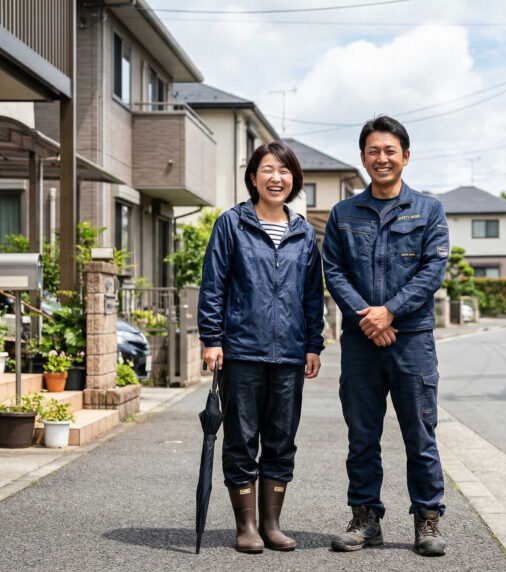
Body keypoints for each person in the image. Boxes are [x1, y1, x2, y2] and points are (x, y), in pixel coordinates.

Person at [322, 116, 449, 557]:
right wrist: (368, 319)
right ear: (362, 158)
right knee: (362, 435)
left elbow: (432, 270)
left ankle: (427, 520)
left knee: (420, 433)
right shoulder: (343, 213)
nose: (382, 158)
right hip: (361, 341)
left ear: (405, 157)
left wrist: (390, 311)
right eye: (373, 151)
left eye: (390, 151)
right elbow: (334, 271)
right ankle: (365, 519)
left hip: (412, 339)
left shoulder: (429, 209)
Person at [197, 141, 325, 553]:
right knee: (241, 439)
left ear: (294, 180)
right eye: (268, 170)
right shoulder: (231, 224)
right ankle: (246, 526)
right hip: (241, 351)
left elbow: (312, 295)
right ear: (253, 177)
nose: (276, 178)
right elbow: (213, 284)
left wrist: (314, 344)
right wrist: (211, 339)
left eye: (284, 171)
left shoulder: (303, 233)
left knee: (282, 440)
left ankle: (272, 524)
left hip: (289, 353)